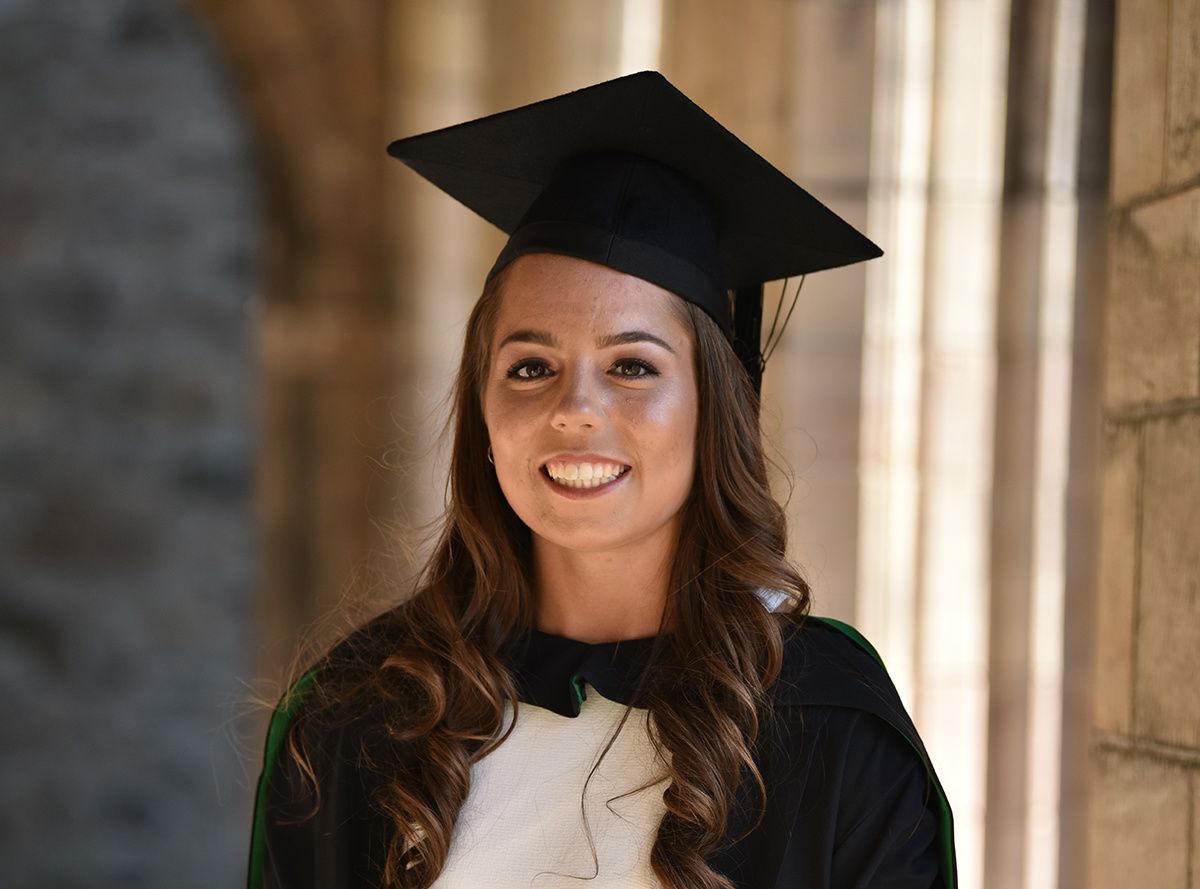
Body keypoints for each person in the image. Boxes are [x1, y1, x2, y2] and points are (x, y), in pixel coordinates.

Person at [246, 71, 957, 889]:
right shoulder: (358, 717)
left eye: (631, 365)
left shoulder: (828, 725)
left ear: (713, 410)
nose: (576, 408)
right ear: (481, 413)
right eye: (530, 366)